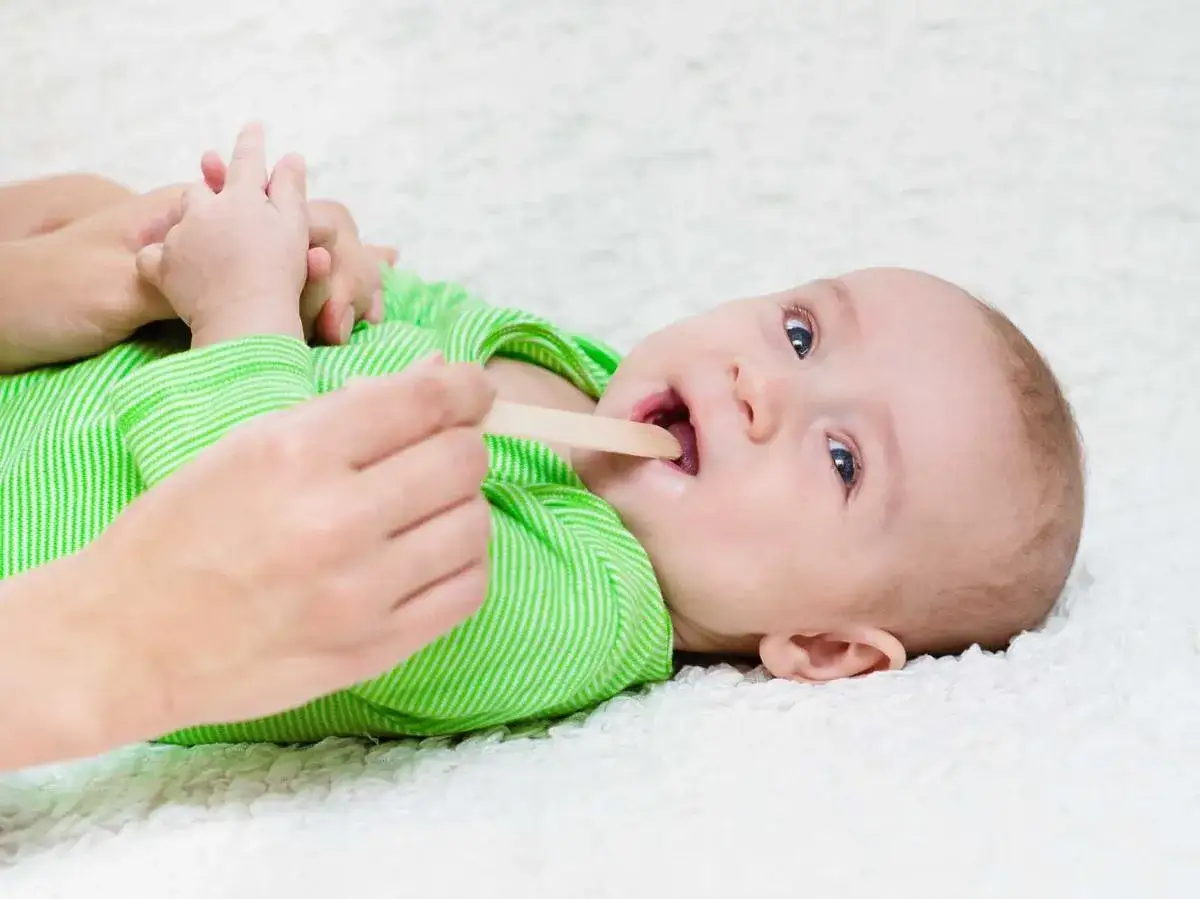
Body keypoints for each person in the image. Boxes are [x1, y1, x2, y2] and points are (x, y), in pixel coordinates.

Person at [1, 122, 1085, 748]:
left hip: (33, 556)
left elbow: (257, 549)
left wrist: (240, 305)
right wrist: (325, 268)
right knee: (96, 203)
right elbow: (406, 308)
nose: (764, 388)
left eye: (843, 458)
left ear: (826, 646)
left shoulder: (576, 607)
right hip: (59, 358)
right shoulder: (588, 374)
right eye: (801, 332)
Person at [0, 131, 497, 770]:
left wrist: (245, 303)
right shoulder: (571, 363)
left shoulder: (598, 600)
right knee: (81, 199)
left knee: (79, 201)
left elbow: (281, 543)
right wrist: (326, 273)